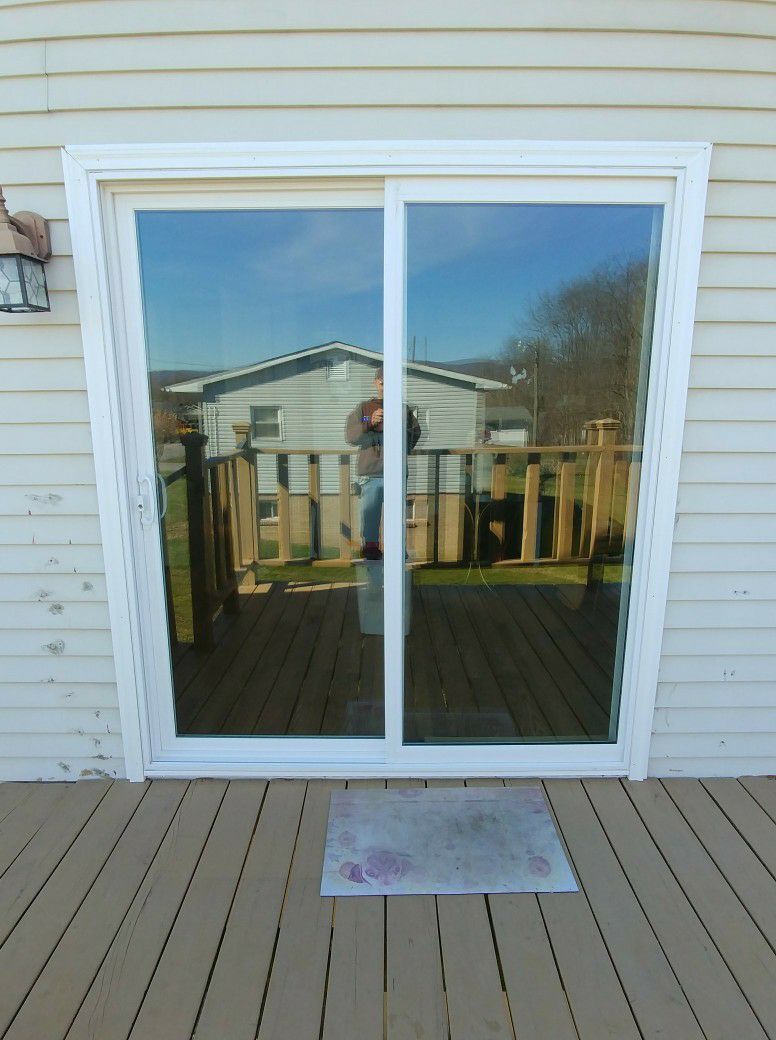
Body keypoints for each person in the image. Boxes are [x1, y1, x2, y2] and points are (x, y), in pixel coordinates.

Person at [345, 367, 421, 559]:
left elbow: (415, 433)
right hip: (370, 474)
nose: (386, 386)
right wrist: (369, 422)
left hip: (396, 473)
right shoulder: (363, 409)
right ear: (376, 383)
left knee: (397, 516)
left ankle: (396, 548)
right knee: (370, 514)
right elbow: (351, 435)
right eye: (382, 382)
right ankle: (370, 547)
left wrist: (402, 438)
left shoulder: (403, 409)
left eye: (391, 382)